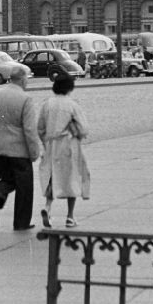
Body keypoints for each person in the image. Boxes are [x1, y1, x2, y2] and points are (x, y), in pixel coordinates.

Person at [0, 64, 40, 231]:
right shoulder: (25, 99)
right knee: (24, 187)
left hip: (0, 147)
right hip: (19, 150)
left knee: (7, 179)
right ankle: (21, 223)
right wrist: (34, 151)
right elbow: (29, 129)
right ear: (22, 80)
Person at [37, 75, 90, 229]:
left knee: (52, 177)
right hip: (68, 145)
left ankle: (48, 207)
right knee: (71, 178)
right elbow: (83, 128)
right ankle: (70, 216)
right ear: (70, 88)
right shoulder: (72, 105)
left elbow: (40, 127)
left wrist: (45, 142)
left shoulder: (47, 104)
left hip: (51, 145)